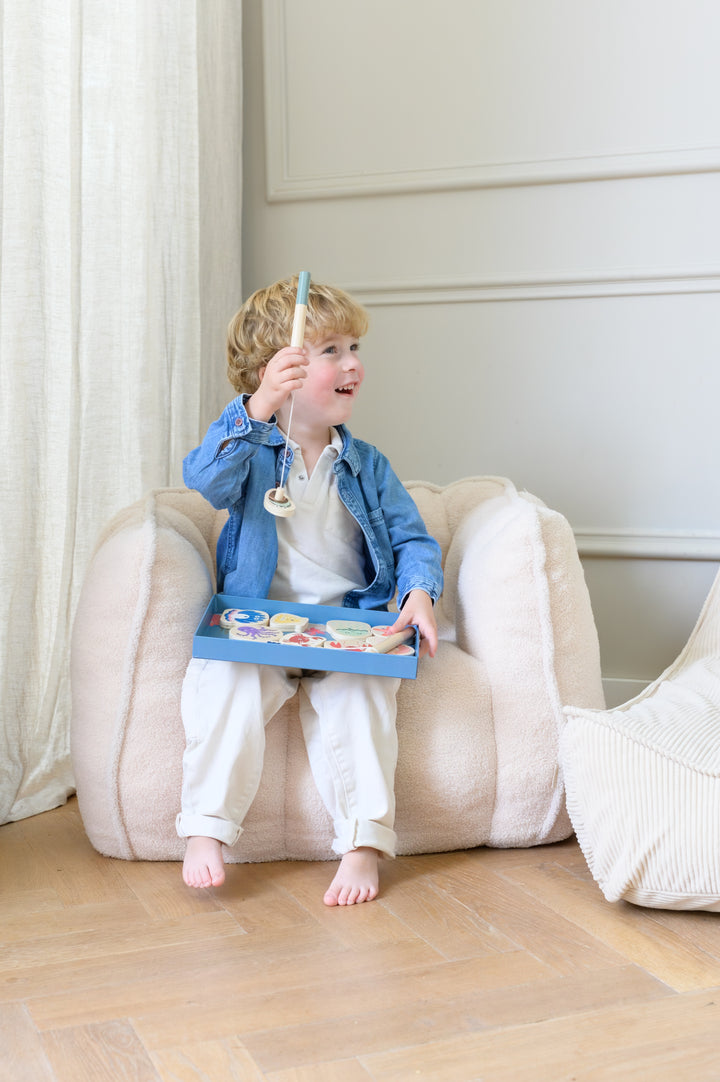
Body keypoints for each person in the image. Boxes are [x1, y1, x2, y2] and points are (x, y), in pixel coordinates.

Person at [178, 275, 443, 905]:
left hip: (348, 628)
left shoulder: (367, 464)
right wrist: (259, 406)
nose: (353, 363)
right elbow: (204, 478)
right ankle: (207, 830)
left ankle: (361, 843)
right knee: (222, 688)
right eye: (331, 351)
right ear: (281, 368)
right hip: (258, 626)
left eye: (354, 348)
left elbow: (412, 540)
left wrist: (418, 595)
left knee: (364, 701)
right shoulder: (252, 451)